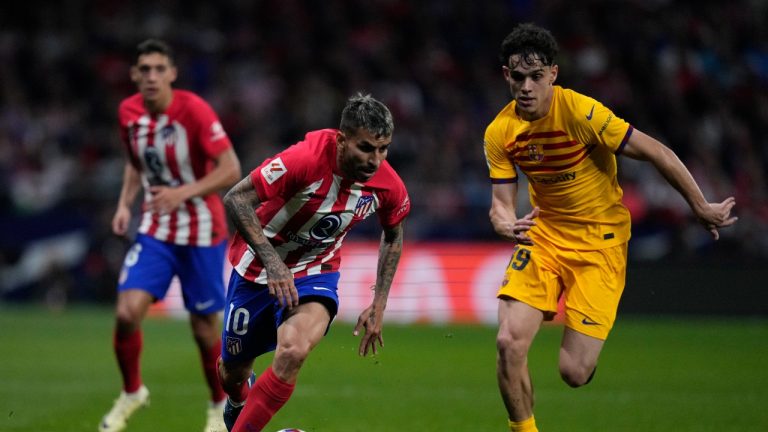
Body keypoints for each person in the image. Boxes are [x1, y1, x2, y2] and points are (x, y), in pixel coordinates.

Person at [484, 23, 738, 432]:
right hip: (543, 238)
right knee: (508, 343)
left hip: (599, 244)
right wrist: (506, 224)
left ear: (553, 74)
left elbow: (657, 151)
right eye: (518, 77)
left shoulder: (583, 113)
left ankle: (584, 357)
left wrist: (700, 205)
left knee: (574, 372)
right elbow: (500, 205)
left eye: (535, 76)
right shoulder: (500, 132)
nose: (526, 87)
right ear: (506, 76)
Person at [217, 93, 410, 432]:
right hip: (258, 269)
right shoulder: (303, 159)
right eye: (365, 148)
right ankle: (239, 398)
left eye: (383, 149)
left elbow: (393, 235)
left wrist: (379, 303)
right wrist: (274, 264)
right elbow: (236, 199)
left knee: (293, 351)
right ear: (341, 140)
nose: (375, 160)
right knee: (231, 372)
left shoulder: (388, 185)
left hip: (315, 270)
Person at [100, 39, 242, 432]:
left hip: (201, 232)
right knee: (127, 313)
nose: (151, 76)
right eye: (143, 69)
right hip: (156, 230)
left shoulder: (193, 110)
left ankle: (218, 407)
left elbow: (231, 168)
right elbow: (135, 163)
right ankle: (132, 392)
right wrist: (125, 204)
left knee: (203, 330)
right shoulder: (127, 113)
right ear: (134, 75)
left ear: (172, 74)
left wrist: (182, 192)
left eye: (159, 69)